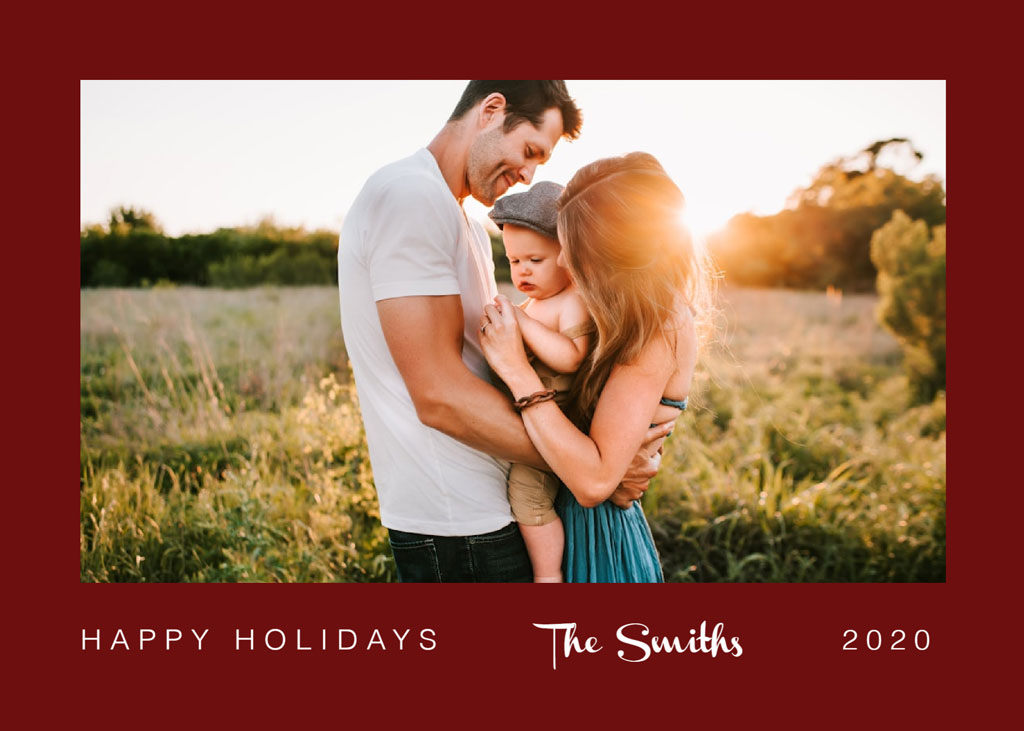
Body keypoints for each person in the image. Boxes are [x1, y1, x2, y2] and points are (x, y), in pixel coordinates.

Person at [337, 82, 672, 582]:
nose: (529, 175)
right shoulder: (410, 196)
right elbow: (439, 395)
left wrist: (597, 460)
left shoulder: (467, 223)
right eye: (529, 151)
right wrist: (596, 467)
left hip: (499, 504)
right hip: (460, 520)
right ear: (492, 111)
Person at [480, 151, 710, 582]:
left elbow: (592, 481)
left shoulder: (658, 325)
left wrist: (517, 371)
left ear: (615, 251)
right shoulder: (618, 315)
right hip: (565, 516)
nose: (564, 262)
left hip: (597, 537)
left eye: (574, 248)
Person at [487, 181, 592, 583]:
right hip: (529, 420)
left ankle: (548, 576)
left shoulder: (571, 300)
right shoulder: (533, 303)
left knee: (527, 496)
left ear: (567, 256)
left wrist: (523, 322)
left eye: (535, 258)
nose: (523, 270)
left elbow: (572, 355)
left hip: (559, 427)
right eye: (514, 261)